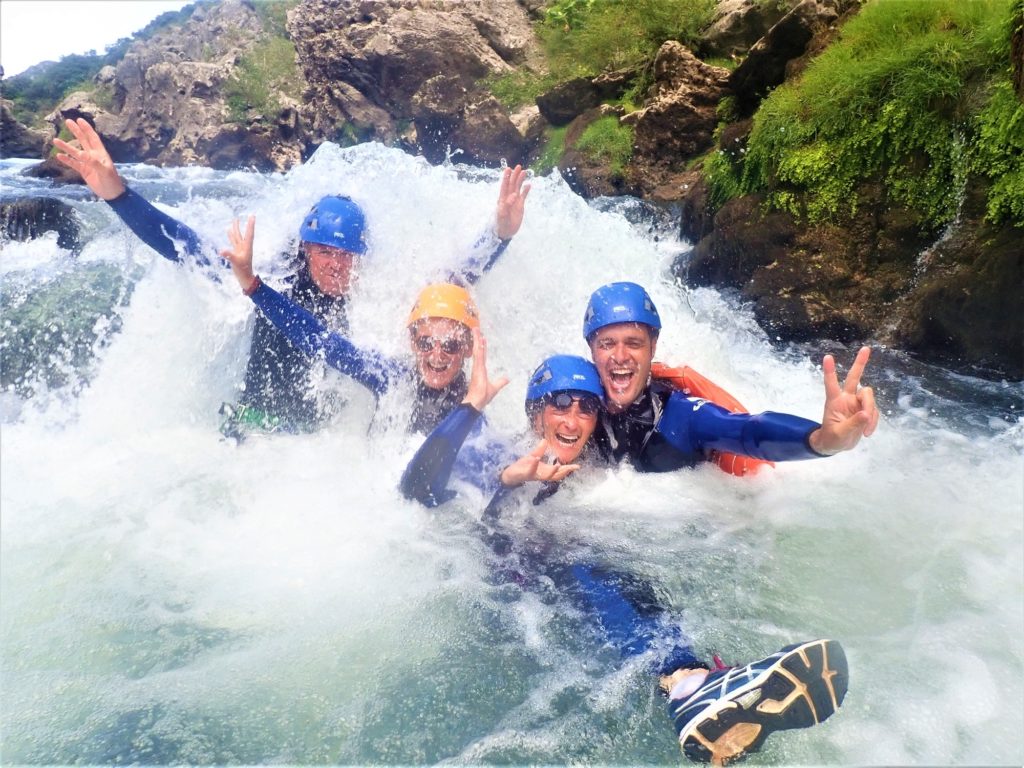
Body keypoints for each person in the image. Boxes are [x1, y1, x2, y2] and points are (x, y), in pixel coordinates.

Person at [400, 351, 849, 765]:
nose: (573, 419)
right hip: (501, 569)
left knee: (634, 584)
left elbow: (744, 430)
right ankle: (688, 686)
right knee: (592, 573)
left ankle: (697, 688)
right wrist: (486, 434)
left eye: (586, 408)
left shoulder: (599, 467)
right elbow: (416, 492)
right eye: (559, 404)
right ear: (535, 412)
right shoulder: (500, 452)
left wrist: (824, 439)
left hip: (552, 564)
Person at [52, 117, 530, 436]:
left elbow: (449, 286)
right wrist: (117, 194)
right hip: (254, 424)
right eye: (322, 251)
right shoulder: (273, 277)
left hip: (315, 447)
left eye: (345, 255)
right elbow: (185, 248)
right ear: (305, 249)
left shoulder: (376, 291)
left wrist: (500, 236)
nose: (334, 264)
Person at [221, 217, 511, 446]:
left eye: (449, 345)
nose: (437, 355)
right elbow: (321, 340)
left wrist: (500, 235)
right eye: (425, 343)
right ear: (412, 341)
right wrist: (253, 286)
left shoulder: (476, 400)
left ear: (469, 348)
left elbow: (457, 281)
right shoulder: (392, 379)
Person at [582, 281, 879, 472]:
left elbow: (748, 431)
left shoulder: (682, 414)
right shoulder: (574, 403)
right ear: (592, 350)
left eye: (634, 343)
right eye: (607, 344)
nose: (620, 356)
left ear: (653, 348)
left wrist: (820, 440)